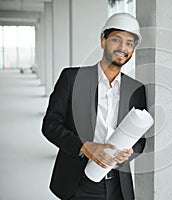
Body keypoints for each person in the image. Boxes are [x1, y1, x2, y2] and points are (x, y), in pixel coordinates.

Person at [42, 13, 146, 200]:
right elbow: (50, 126)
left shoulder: (136, 89)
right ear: (103, 41)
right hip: (79, 181)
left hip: (117, 185)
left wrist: (131, 152)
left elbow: (140, 140)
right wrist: (85, 147)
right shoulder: (72, 79)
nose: (123, 48)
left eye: (130, 43)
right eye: (116, 39)